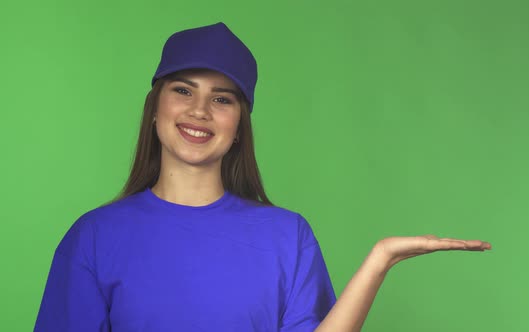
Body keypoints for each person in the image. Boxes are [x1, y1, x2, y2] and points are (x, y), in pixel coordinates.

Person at [33, 22, 492, 332]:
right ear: (155, 110)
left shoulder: (286, 236)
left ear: (238, 128)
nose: (199, 110)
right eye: (183, 90)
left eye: (222, 99)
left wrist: (380, 261)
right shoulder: (94, 237)